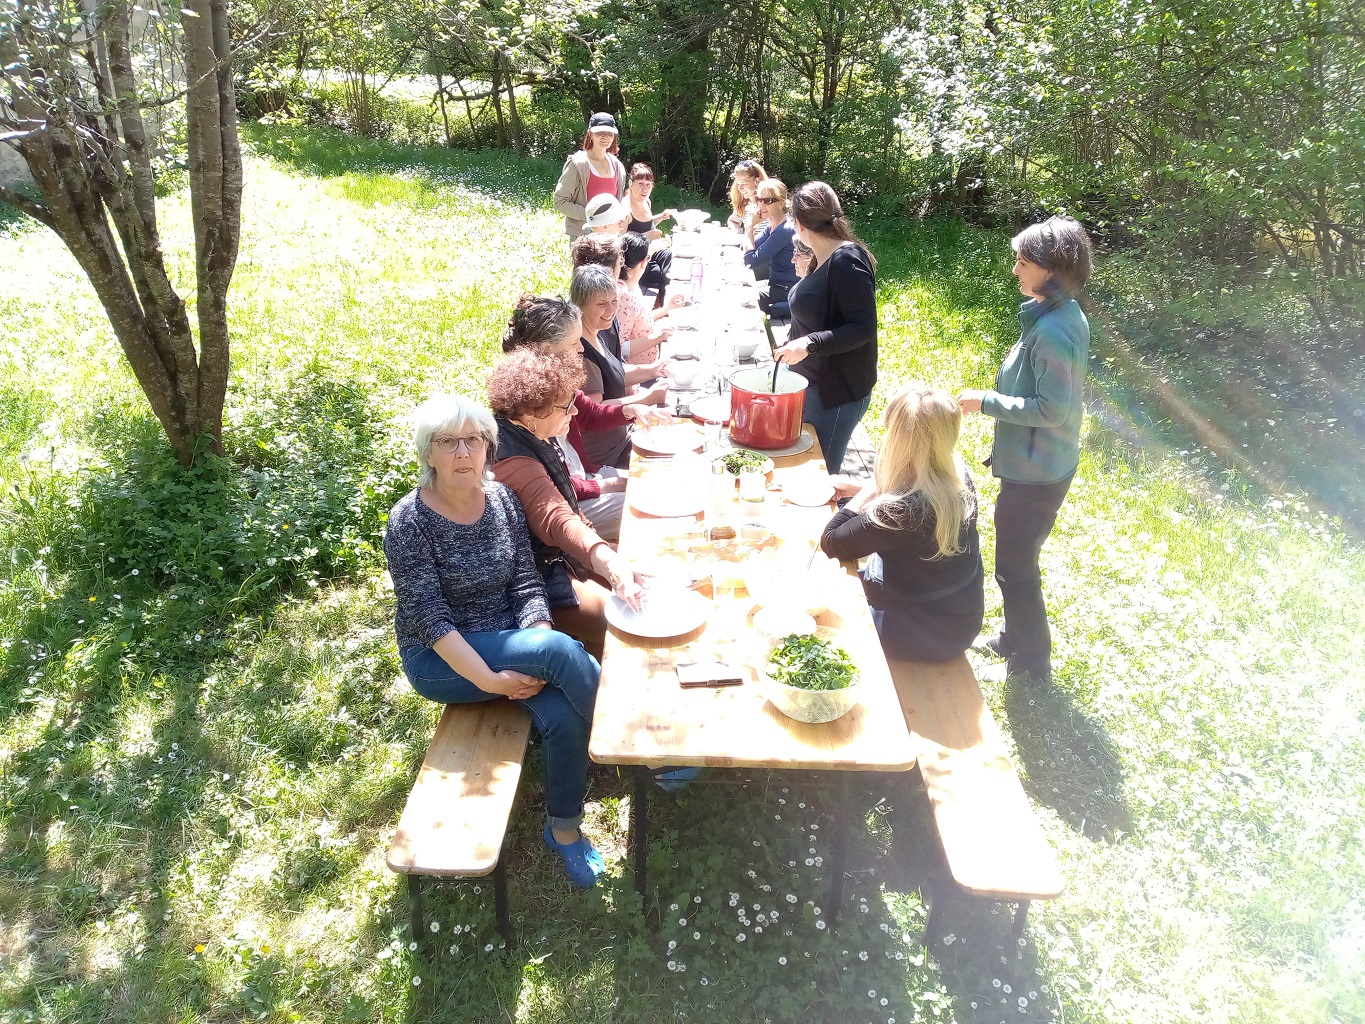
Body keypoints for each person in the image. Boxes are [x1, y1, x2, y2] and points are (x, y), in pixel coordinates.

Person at [383, 393, 607, 887]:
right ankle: (626, 741)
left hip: (512, 640)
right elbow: (429, 620)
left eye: (473, 441)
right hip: (443, 657)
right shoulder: (409, 521)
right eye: (447, 442)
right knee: (559, 653)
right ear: (428, 453)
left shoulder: (501, 499)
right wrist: (494, 678)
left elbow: (525, 580)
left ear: (488, 447)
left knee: (564, 712)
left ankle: (564, 830)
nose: (462, 453)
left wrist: (537, 642)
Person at [957, 216, 1093, 683]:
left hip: (1038, 475)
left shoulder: (1054, 329)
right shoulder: (1057, 312)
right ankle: (1013, 638)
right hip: (1038, 464)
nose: (1015, 270)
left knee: (1016, 569)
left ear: (1051, 269)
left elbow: (1053, 410)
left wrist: (985, 402)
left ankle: (1031, 663)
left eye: (1023, 262)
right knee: (1014, 562)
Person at [487, 347, 651, 657]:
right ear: (531, 414)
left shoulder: (526, 434)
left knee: (644, 580)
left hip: (556, 566)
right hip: (532, 587)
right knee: (630, 625)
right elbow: (557, 518)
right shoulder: (515, 461)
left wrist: (611, 559)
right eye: (566, 406)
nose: (575, 413)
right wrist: (612, 566)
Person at [820, 384, 984, 662]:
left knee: (824, 614)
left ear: (899, 441)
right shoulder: (957, 478)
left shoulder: (900, 512)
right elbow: (915, 499)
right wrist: (860, 487)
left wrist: (866, 490)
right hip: (959, 618)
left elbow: (833, 541)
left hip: (920, 635)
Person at [500, 292, 667, 540]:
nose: (581, 348)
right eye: (574, 342)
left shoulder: (558, 376)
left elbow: (590, 414)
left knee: (657, 482)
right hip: (572, 501)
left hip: (584, 479)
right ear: (547, 349)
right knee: (651, 508)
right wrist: (608, 485)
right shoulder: (529, 401)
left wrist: (629, 410)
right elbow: (554, 486)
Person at [772, 181, 877, 476]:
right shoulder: (822, 254)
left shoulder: (847, 261)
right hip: (809, 385)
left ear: (798, 223)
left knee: (818, 477)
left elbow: (863, 327)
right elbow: (819, 314)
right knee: (795, 468)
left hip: (837, 393)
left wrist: (808, 344)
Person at [573, 264, 667, 468]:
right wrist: (647, 398)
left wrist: (652, 370)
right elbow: (594, 412)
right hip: (609, 456)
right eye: (601, 304)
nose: (611, 310)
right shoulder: (581, 352)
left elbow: (614, 371)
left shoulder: (597, 332)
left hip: (625, 435)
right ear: (580, 305)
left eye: (614, 301)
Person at [553, 112, 628, 239]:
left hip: (610, 238)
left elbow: (618, 204)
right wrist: (592, 217)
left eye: (610, 133)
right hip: (583, 236)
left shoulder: (617, 165)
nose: (605, 137)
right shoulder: (578, 164)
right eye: (600, 133)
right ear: (591, 134)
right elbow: (560, 201)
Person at [617, 232, 682, 364]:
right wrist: (659, 336)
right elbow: (619, 348)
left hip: (647, 368)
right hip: (637, 377)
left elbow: (637, 320)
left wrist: (666, 308)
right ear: (643, 262)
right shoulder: (623, 296)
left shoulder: (631, 285)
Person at [742, 177, 797, 318]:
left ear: (781, 203)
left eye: (767, 201)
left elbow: (750, 262)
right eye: (759, 199)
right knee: (739, 289)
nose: (761, 205)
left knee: (742, 299)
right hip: (776, 284)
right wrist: (751, 230)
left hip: (787, 292)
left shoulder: (785, 230)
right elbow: (746, 247)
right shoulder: (772, 225)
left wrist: (749, 227)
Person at [625, 162, 678, 301]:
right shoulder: (626, 208)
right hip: (636, 261)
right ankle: (661, 311)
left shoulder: (646, 202)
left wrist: (661, 216)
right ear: (631, 183)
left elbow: (645, 223)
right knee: (661, 276)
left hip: (651, 251)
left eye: (648, 185)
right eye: (640, 184)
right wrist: (646, 237)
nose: (644, 189)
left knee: (672, 258)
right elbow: (621, 242)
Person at [726, 158, 768, 233]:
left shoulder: (770, 204)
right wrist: (737, 230)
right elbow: (732, 220)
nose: (740, 188)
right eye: (738, 184)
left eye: (744, 184)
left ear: (757, 181)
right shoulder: (744, 205)